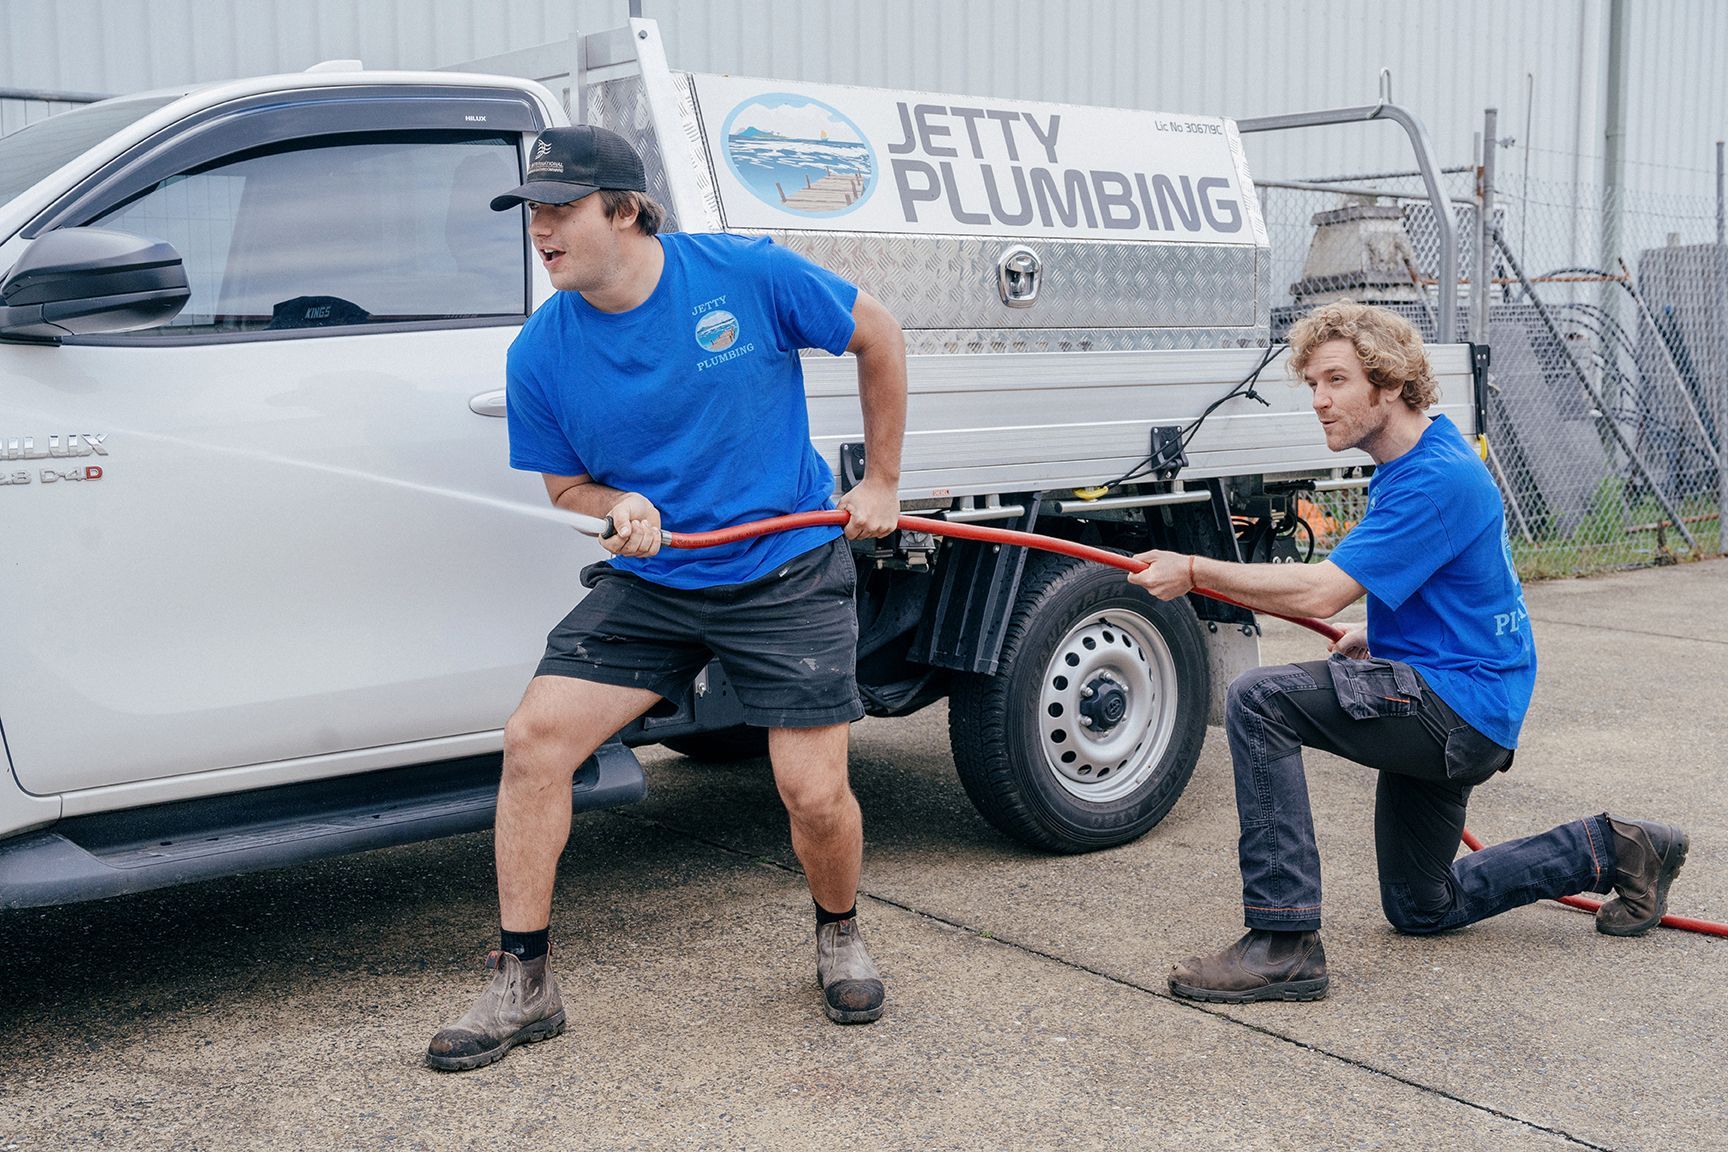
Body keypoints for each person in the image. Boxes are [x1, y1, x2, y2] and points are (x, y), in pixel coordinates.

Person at [426, 125, 907, 1070]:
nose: (542, 231)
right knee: (534, 742)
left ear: (628, 210)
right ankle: (526, 982)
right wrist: (619, 506)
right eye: (533, 214)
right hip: (656, 580)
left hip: (784, 562)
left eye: (561, 210)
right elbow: (568, 494)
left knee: (812, 793)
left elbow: (877, 335)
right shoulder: (541, 355)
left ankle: (839, 929)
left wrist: (881, 481)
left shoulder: (743, 275)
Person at [1127, 300, 1689, 1003]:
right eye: (1311, 385)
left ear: (1388, 384)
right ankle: (1618, 847)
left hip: (1455, 708)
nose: (1320, 401)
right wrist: (1387, 632)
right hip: (1458, 694)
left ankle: (1282, 941)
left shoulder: (1437, 478)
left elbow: (1319, 594)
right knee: (1423, 905)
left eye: (1334, 381)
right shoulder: (1419, 459)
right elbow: (1461, 580)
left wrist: (1196, 570)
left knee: (1260, 700)